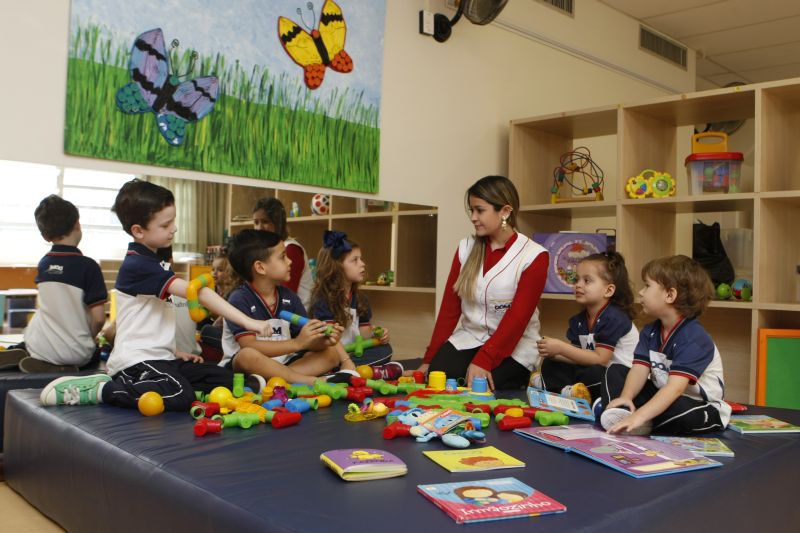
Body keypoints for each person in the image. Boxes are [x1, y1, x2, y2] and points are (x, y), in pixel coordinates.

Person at [39, 179, 272, 411]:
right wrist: (249, 322)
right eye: (165, 225)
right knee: (180, 394)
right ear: (138, 231)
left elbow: (150, 321)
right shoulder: (138, 264)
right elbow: (198, 293)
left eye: (173, 221)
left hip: (161, 358)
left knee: (224, 378)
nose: (174, 228)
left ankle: (189, 382)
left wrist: (173, 351)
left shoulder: (154, 260)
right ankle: (102, 389)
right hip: (134, 361)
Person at [412, 175, 548, 390]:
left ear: (504, 211)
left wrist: (484, 360)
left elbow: (518, 318)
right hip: (471, 336)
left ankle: (525, 376)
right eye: (471, 210)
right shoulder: (466, 248)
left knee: (480, 383)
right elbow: (450, 308)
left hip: (515, 343)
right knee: (440, 373)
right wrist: (428, 359)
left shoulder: (535, 256)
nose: (473, 217)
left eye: (480, 210)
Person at [599, 255, 732, 435]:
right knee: (615, 371)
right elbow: (639, 370)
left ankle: (641, 421)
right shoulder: (650, 331)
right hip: (663, 395)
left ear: (670, 295)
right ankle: (624, 412)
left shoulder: (694, 337)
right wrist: (626, 397)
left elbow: (675, 389)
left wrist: (639, 416)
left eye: (647, 286)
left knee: (679, 410)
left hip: (699, 404)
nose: (640, 292)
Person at [219, 229, 347, 386]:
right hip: (247, 368)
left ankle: (278, 380)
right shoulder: (239, 299)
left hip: (286, 364)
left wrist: (325, 340)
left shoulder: (289, 297)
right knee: (247, 355)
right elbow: (249, 344)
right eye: (282, 257)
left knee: (331, 354)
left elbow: (306, 341)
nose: (290, 261)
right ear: (260, 267)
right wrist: (297, 343)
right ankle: (307, 381)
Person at [0, 195, 107, 373]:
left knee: (38, 330)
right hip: (74, 353)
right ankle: (62, 367)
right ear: (77, 224)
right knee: (94, 353)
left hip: (38, 344)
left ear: (45, 236)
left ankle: (25, 352)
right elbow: (99, 319)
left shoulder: (44, 263)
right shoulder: (89, 267)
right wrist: (90, 338)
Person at [534, 252, 638, 403]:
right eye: (577, 279)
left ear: (608, 290)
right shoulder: (580, 320)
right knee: (553, 362)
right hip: (594, 368)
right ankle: (564, 390)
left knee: (595, 372)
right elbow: (577, 356)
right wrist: (552, 352)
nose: (578, 285)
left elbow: (601, 360)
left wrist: (561, 348)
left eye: (587, 281)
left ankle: (561, 389)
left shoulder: (615, 318)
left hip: (618, 378)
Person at [309, 230, 394, 369]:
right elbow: (328, 338)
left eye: (361, 259)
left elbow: (364, 333)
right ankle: (343, 368)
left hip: (353, 350)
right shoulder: (323, 298)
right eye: (355, 260)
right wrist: (345, 360)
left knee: (386, 349)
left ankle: (347, 369)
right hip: (332, 351)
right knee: (326, 357)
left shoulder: (361, 298)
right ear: (337, 267)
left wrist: (377, 333)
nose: (362, 264)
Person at [252, 197, 313, 309]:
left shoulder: (291, 249)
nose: (259, 228)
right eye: (256, 222)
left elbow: (286, 299)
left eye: (265, 222)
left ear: (278, 223)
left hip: (298, 318)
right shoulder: (265, 250)